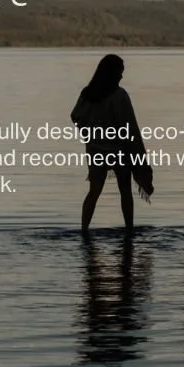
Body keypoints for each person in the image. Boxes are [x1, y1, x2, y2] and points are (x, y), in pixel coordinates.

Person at [69, 52, 150, 234]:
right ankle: (129, 231)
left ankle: (84, 230)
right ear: (112, 73)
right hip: (118, 150)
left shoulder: (88, 93)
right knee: (125, 191)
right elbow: (131, 127)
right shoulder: (119, 95)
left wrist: (89, 134)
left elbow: (75, 116)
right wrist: (140, 157)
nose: (122, 75)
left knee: (94, 192)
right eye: (120, 72)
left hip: (95, 150)